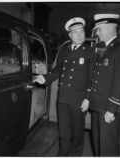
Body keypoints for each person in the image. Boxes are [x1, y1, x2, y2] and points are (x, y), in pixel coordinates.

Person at [33, 17, 97, 156]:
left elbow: (93, 78)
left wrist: (88, 98)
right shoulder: (65, 50)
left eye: (81, 32)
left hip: (79, 100)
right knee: (63, 132)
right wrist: (45, 78)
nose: (79, 35)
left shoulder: (90, 53)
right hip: (63, 99)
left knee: (77, 134)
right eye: (75, 32)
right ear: (70, 35)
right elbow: (58, 69)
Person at [89, 14, 120, 156]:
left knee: (108, 148)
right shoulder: (106, 49)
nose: (97, 33)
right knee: (98, 144)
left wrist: (112, 109)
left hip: (107, 108)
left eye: (99, 29)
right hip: (98, 105)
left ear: (109, 29)